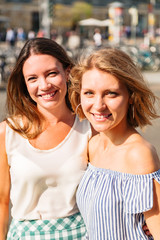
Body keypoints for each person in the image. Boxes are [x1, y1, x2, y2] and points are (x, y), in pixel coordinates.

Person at [0, 37, 92, 239]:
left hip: (82, 234)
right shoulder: (7, 132)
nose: (44, 85)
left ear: (67, 73)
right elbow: (1, 202)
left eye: (51, 74)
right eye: (32, 78)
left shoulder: (89, 127)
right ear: (24, 83)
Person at [69, 48, 160, 239]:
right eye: (89, 93)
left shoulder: (139, 154)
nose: (98, 105)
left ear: (131, 97)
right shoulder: (93, 145)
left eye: (111, 94)